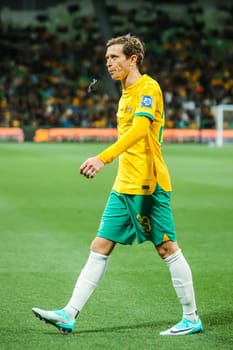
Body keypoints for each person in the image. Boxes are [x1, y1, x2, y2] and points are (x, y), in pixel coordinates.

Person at [32, 34, 203, 336]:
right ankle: (69, 314)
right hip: (123, 185)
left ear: (132, 59)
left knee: (166, 248)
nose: (108, 63)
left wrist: (103, 158)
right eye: (107, 58)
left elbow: (139, 130)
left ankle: (191, 318)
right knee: (100, 246)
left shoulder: (148, 88)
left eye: (114, 57)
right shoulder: (125, 92)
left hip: (147, 184)